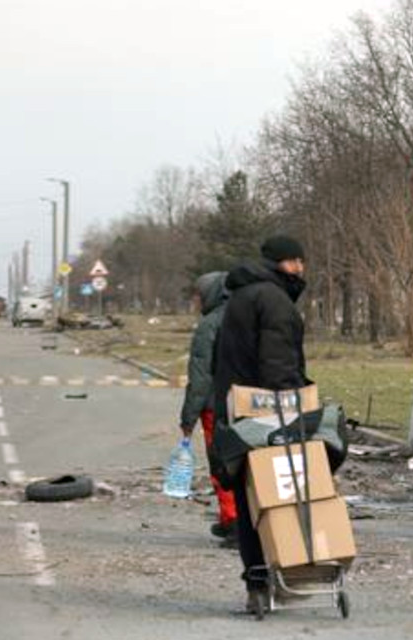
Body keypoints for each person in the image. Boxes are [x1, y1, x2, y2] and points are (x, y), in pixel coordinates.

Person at [212, 234, 308, 608]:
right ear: (282, 263)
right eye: (296, 261)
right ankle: (291, 573)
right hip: (267, 415)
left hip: (236, 411)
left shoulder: (240, 296)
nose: (301, 268)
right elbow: (278, 363)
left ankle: (256, 581)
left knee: (248, 497)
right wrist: (292, 409)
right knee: (281, 497)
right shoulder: (274, 300)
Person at [178, 271, 236, 543]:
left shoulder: (210, 324)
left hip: (216, 405)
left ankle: (232, 521)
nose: (197, 302)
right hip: (249, 401)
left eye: (199, 296)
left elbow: (200, 375)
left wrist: (188, 417)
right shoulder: (245, 317)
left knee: (221, 463)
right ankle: (242, 521)